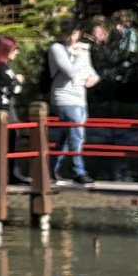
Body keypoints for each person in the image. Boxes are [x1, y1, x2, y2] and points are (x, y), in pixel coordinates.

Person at [46, 23, 97, 184]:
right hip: (64, 97)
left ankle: (51, 169)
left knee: (67, 136)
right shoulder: (57, 48)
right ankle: (79, 171)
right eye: (72, 34)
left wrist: (91, 79)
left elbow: (92, 73)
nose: (75, 38)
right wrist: (81, 56)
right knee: (77, 135)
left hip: (80, 97)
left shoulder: (80, 50)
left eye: (77, 34)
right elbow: (70, 72)